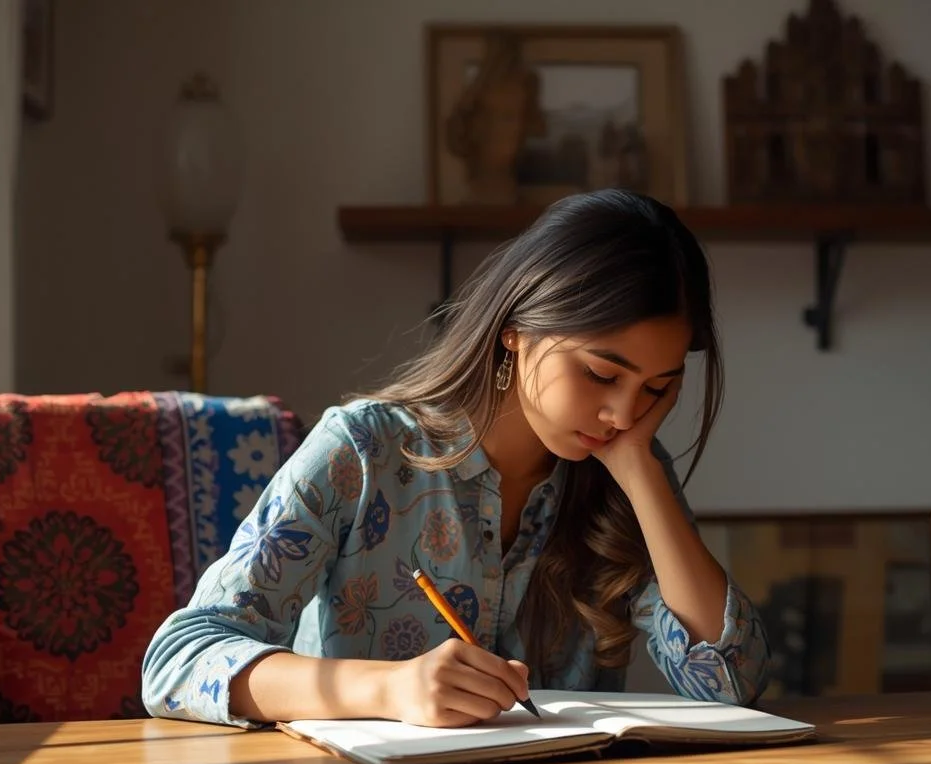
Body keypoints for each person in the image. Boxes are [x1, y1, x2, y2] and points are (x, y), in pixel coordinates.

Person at [141, 188, 773, 730]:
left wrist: (640, 471)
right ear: (517, 329)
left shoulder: (626, 477)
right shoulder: (363, 453)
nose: (625, 415)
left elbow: (729, 683)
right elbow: (178, 662)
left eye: (658, 389)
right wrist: (390, 691)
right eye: (602, 374)